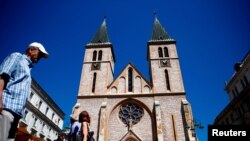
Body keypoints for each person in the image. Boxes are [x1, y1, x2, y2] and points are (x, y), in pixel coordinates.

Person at [0, 42, 49, 141]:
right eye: (39, 54)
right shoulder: (17, 57)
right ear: (31, 50)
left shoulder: (28, 68)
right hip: (7, 107)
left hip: (17, 113)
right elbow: (2, 76)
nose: (40, 58)